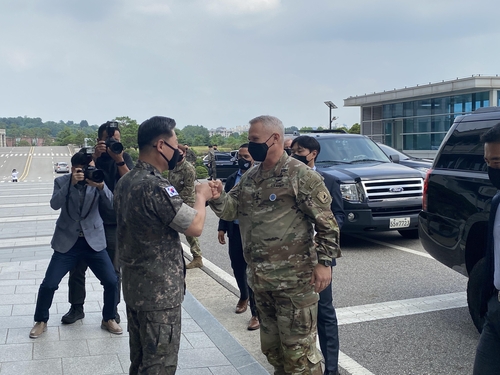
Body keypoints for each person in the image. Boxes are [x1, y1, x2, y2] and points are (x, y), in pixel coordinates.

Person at [208, 115, 341, 375]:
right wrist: (217, 196)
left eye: (255, 140)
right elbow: (231, 209)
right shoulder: (250, 176)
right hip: (262, 281)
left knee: (299, 357)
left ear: (275, 139)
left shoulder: (299, 175)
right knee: (274, 350)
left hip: (294, 283)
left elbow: (328, 224)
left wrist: (324, 263)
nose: (250, 145)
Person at [114, 116, 212, 374]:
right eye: (175, 144)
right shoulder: (156, 186)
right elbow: (195, 226)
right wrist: (201, 196)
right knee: (159, 365)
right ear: (161, 145)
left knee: (140, 360)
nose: (178, 151)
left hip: (135, 289)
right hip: (159, 295)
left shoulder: (125, 181)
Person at [29, 151, 121, 339]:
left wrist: (101, 186)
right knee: (49, 284)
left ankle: (109, 318)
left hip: (93, 242)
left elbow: (113, 205)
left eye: (91, 167)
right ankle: (41, 320)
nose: (88, 171)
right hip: (67, 243)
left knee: (111, 281)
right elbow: (54, 204)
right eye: (83, 168)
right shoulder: (62, 182)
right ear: (73, 168)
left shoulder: (97, 180)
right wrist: (70, 184)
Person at [62, 122, 134, 325]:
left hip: (112, 223)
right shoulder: (89, 158)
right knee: (77, 268)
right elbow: (74, 179)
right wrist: (93, 158)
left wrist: (118, 159)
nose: (113, 143)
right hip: (86, 222)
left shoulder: (123, 157)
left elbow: (132, 183)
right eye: (109, 140)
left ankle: (111, 311)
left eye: (117, 140)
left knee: (113, 271)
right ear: (98, 141)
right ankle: (76, 307)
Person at [291, 135, 345, 375]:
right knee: (293, 313)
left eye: (299, 150)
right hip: (290, 258)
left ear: (313, 153)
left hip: (318, 256)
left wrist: (319, 236)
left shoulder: (330, 181)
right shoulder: (285, 180)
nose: (294, 154)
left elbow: (339, 217)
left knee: (324, 313)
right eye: (292, 150)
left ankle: (331, 369)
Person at [217, 143, 260, 330]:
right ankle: (243, 295)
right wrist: (222, 228)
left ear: (253, 158)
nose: (243, 160)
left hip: (253, 233)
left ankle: (256, 314)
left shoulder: (260, 177)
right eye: (240, 157)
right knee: (237, 266)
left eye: (247, 157)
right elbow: (227, 204)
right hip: (235, 231)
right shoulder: (232, 178)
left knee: (253, 272)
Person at [473, 123, 500, 374]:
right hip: (496, 313)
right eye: (488, 162)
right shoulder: (497, 202)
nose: (492, 168)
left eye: (498, 162)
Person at [168, 145, 204, 269]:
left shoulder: (188, 169)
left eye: (179, 152)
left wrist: (175, 200)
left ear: (184, 153)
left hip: (186, 202)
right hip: (174, 202)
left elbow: (188, 189)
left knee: (189, 231)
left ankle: (197, 257)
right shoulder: (172, 166)